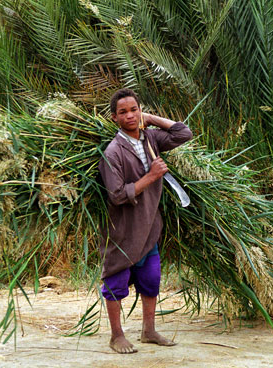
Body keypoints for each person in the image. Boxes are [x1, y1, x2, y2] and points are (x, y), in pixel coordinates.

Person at [98, 88, 193, 354]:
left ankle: (149, 331)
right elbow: (117, 195)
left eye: (134, 109)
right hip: (123, 230)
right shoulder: (113, 152)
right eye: (123, 112)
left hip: (150, 225)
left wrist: (151, 118)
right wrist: (151, 177)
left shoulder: (151, 138)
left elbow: (183, 133)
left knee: (150, 279)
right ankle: (117, 336)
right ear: (114, 117)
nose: (129, 115)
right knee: (115, 284)